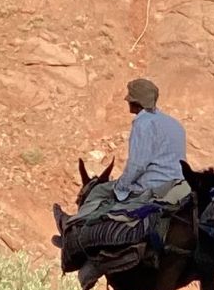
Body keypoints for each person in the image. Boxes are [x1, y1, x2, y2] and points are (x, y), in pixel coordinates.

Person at [53, 78, 187, 234]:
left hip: (152, 187)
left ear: (135, 102)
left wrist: (120, 187)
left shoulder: (143, 123)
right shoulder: (174, 124)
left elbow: (138, 165)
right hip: (179, 185)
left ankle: (71, 227)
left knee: (98, 192)